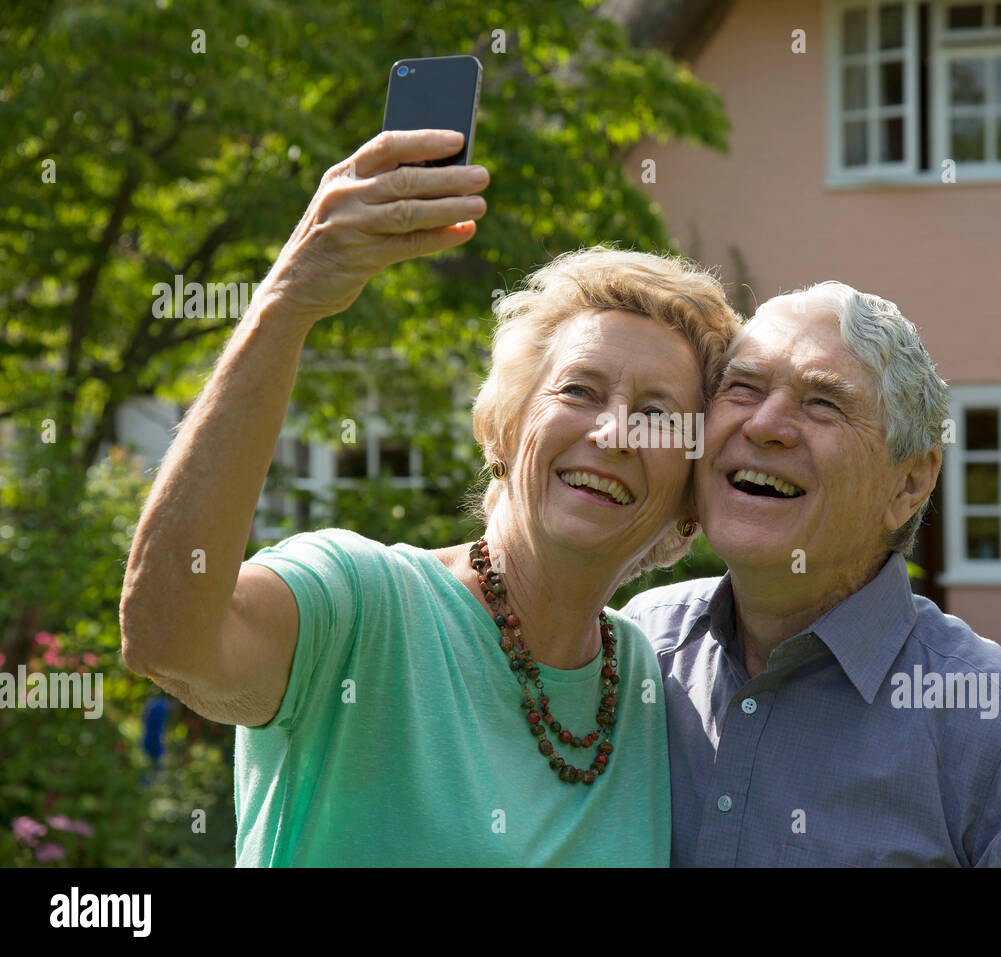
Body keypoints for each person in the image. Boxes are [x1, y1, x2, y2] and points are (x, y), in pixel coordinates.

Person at [119, 129, 742, 865]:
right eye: (578, 389)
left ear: (690, 500)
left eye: (656, 413)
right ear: (503, 428)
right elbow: (166, 635)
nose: (612, 432)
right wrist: (284, 305)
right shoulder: (364, 603)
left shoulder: (648, 681)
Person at [621, 281, 1001, 866]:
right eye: (742, 388)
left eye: (823, 403)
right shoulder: (635, 653)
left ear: (909, 484)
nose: (765, 425)